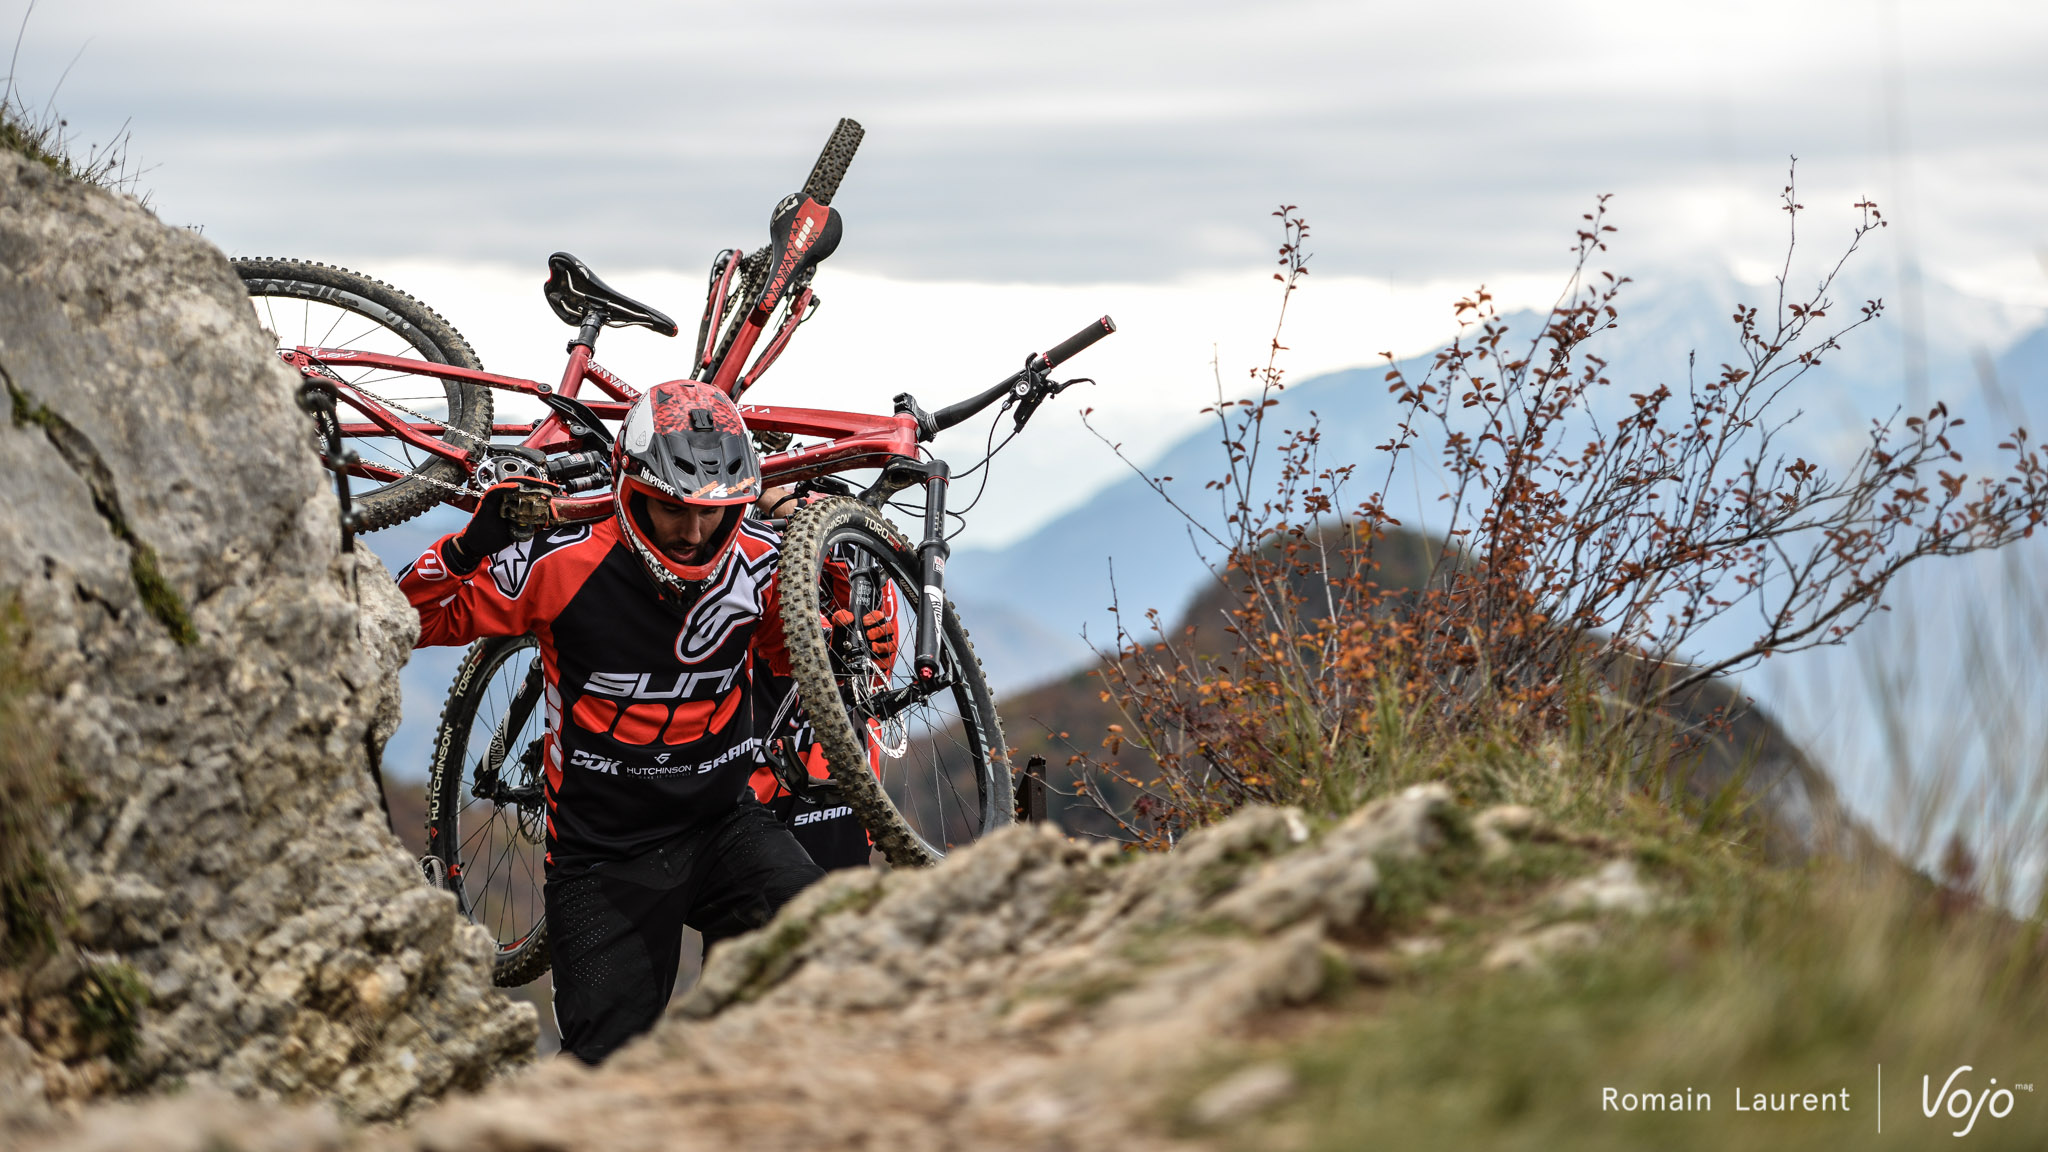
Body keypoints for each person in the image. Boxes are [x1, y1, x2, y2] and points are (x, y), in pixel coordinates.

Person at [396, 379, 893, 1064]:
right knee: (607, 1072)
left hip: (724, 828)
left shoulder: (754, 561)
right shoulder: (562, 562)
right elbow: (412, 621)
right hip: (605, 857)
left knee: (837, 951)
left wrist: (833, 608)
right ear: (633, 490)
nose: (693, 533)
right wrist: (465, 547)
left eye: (713, 515)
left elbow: (790, 654)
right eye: (672, 512)